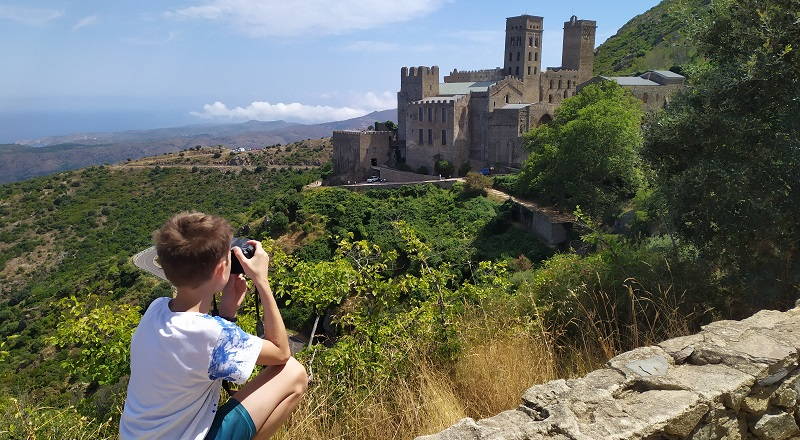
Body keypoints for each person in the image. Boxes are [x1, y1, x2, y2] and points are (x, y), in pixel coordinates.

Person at [120, 212, 308, 440]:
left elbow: (202, 349)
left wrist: (227, 313)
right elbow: (281, 353)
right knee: (294, 373)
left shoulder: (156, 309)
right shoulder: (213, 335)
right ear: (221, 269)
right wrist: (262, 282)